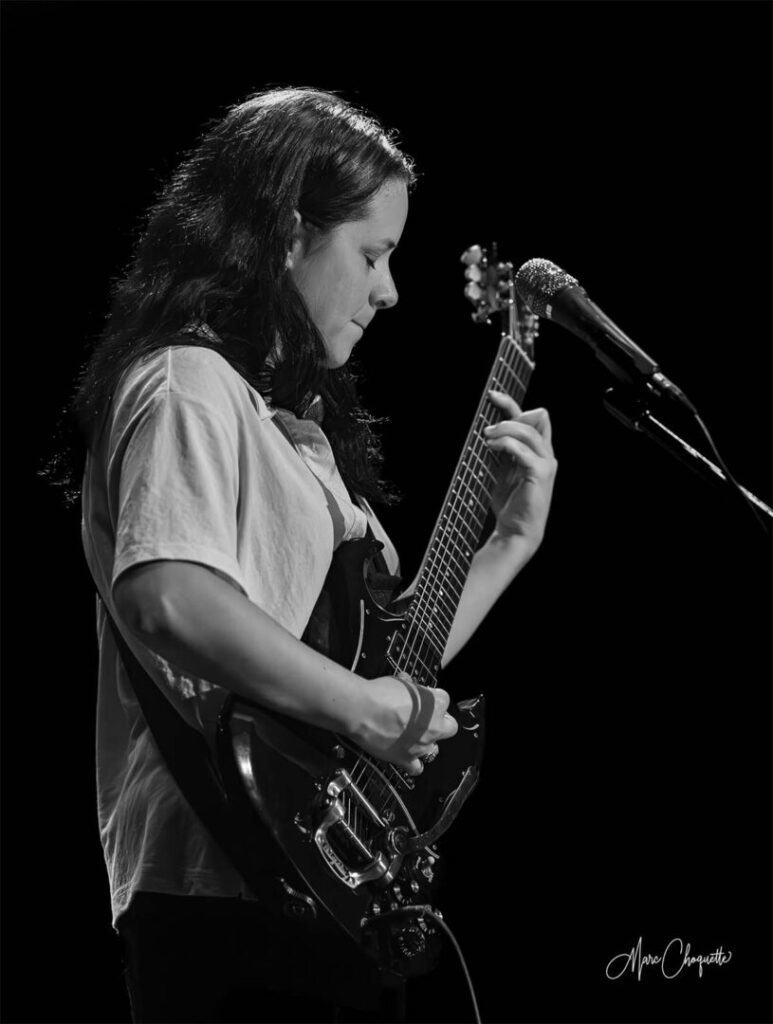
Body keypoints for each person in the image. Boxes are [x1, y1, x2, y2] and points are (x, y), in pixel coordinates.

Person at [61, 86, 557, 1023]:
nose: (389, 290)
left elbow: (378, 670)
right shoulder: (187, 382)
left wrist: (507, 541)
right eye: (372, 254)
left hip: (319, 883)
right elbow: (168, 595)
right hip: (217, 896)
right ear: (290, 233)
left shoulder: (289, 435)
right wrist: (366, 709)